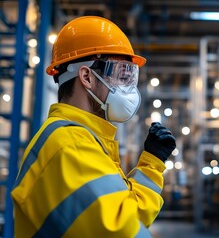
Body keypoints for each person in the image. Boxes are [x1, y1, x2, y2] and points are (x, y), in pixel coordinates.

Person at [11, 16, 176, 237]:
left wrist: (151, 164)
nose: (129, 89)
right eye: (120, 75)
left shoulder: (86, 141)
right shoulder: (70, 145)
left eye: (130, 77)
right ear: (87, 76)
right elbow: (121, 232)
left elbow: (127, 217)